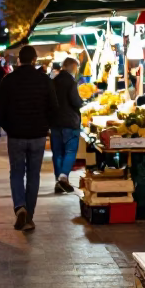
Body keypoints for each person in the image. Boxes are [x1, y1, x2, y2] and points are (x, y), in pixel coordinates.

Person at [0, 45, 57, 231]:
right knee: (33, 175)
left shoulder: (9, 80)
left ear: (19, 60)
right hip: (37, 135)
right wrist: (46, 127)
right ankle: (29, 215)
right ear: (35, 60)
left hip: (16, 136)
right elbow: (54, 107)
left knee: (16, 172)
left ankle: (19, 206)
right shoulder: (44, 80)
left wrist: (8, 127)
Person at [51, 57, 84, 193]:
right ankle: (63, 178)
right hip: (70, 122)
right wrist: (82, 102)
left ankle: (59, 182)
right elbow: (75, 101)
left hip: (55, 122)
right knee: (70, 151)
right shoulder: (71, 82)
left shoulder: (53, 81)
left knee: (57, 153)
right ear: (73, 67)